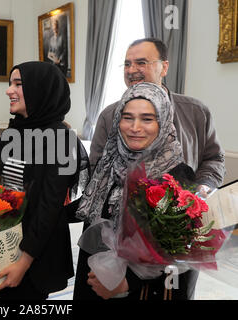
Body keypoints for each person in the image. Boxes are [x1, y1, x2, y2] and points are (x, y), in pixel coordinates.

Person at [73, 37, 225, 300]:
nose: (132, 70)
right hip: (110, 236)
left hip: (176, 227)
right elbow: (98, 169)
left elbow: (213, 158)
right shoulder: (111, 114)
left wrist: (200, 191)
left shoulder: (195, 111)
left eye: (141, 62)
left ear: (164, 67)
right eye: (127, 64)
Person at [0, 61, 88, 300]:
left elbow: (48, 210)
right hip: (3, 244)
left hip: (35, 255)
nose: (9, 90)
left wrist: (24, 262)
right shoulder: (13, 132)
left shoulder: (61, 139)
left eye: (18, 84)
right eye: (10, 83)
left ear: (41, 89)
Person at [75, 82, 200, 300]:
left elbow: (176, 250)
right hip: (97, 277)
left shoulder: (178, 175)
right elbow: (94, 204)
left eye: (147, 119)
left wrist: (125, 283)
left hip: (137, 289)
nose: (134, 127)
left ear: (163, 122)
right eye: (127, 117)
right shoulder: (111, 162)